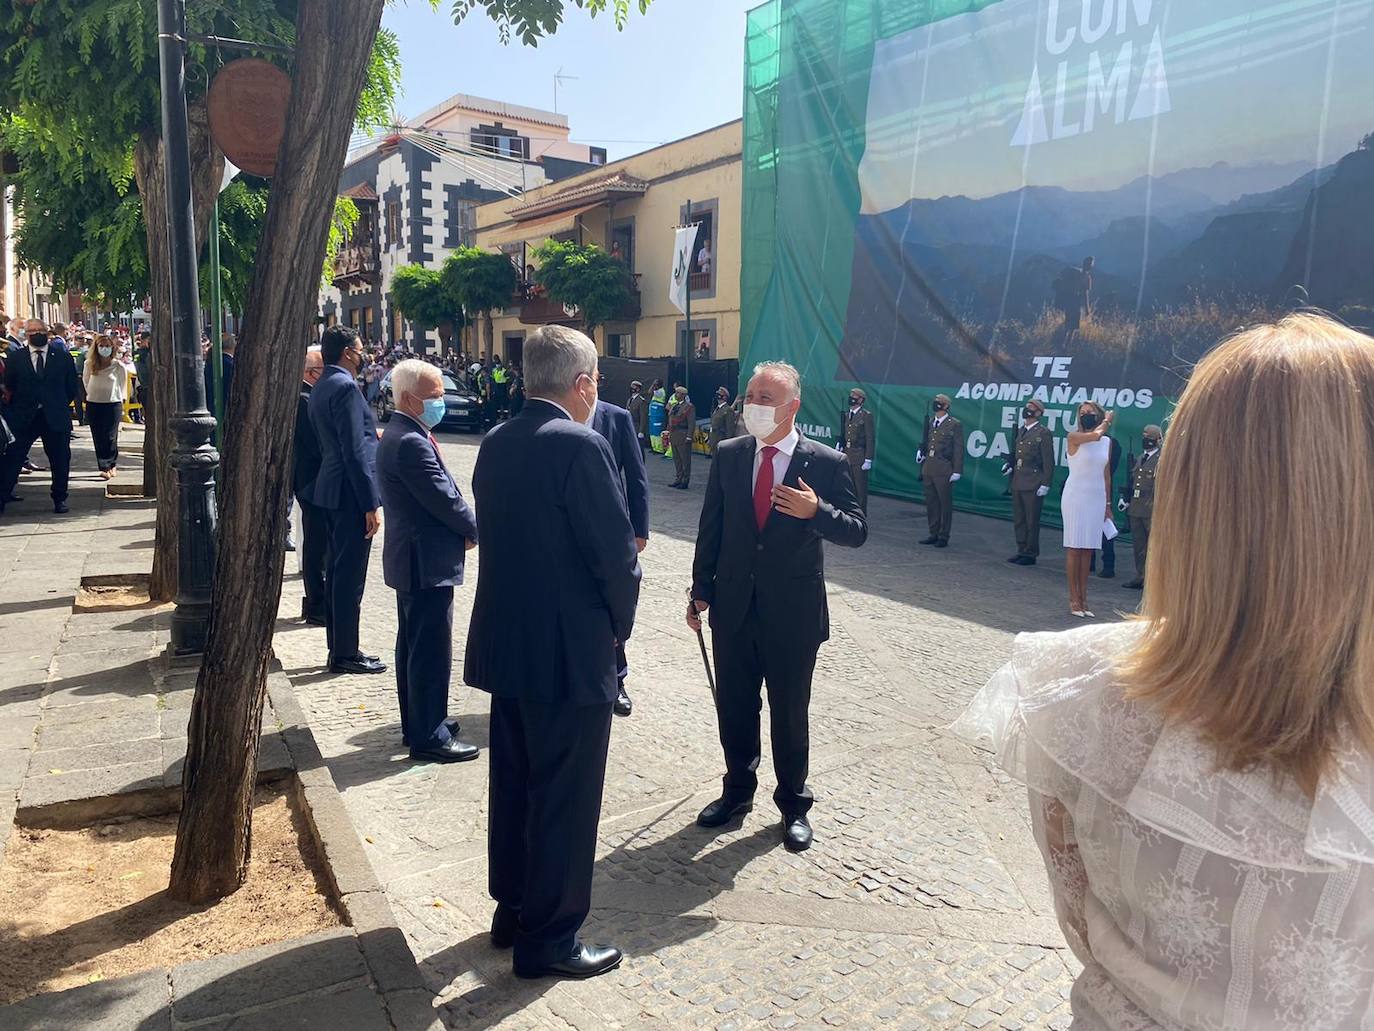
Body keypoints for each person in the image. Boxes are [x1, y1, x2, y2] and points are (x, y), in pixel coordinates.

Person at [954, 313, 1374, 1031]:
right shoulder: (1079, 683)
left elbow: (1080, 914)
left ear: (1191, 486)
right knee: (1066, 549)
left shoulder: (1080, 692)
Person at [464, 325, 641, 981]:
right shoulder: (581, 445)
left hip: (509, 648)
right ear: (584, 383)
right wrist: (619, 630)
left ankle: (513, 911)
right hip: (568, 654)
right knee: (564, 801)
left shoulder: (495, 440)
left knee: (515, 788)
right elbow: (617, 559)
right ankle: (550, 939)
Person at [689, 361, 868, 852]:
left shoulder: (826, 463)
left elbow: (857, 529)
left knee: (790, 712)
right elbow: (713, 527)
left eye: (766, 398)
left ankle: (793, 804)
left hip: (793, 613)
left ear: (793, 407)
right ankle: (736, 792)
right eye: (751, 396)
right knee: (735, 706)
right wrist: (700, 588)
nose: (754, 406)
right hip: (734, 607)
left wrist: (817, 512)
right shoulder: (729, 454)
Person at [377, 360, 480, 764]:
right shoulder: (410, 441)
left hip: (415, 559)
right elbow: (445, 500)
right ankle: (428, 735)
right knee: (430, 651)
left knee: (415, 647)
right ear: (407, 399)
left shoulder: (405, 432)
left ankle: (420, 721)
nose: (442, 401)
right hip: (425, 561)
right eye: (434, 396)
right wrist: (477, 530)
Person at [307, 326, 386, 675]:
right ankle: (346, 652)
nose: (363, 352)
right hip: (350, 492)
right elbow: (354, 450)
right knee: (349, 575)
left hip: (331, 487)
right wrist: (371, 503)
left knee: (338, 571)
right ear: (347, 353)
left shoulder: (323, 385)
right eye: (359, 348)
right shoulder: (346, 387)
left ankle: (338, 646)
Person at [592, 395, 650, 719]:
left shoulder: (615, 418)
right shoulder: (554, 412)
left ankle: (617, 679)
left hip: (612, 531)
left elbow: (637, 476)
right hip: (567, 531)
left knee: (617, 603)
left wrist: (639, 529)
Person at [0, 319, 79, 515]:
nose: (36, 334)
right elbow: (9, 385)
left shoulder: (62, 356)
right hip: (25, 417)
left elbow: (71, 388)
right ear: (26, 334)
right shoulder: (16, 358)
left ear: (47, 332)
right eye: (32, 331)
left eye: (40, 330)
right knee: (13, 458)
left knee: (60, 460)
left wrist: (57, 403)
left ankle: (60, 498)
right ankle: (2, 497)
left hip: (55, 416)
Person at [1061, 402, 1114, 617]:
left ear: (1097, 414)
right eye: (1082, 413)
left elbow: (1106, 474)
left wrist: (1108, 504)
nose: (1085, 416)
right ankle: (1074, 598)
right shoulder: (1073, 437)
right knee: (1075, 548)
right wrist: (1106, 422)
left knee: (1088, 550)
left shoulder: (1107, 442)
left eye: (1090, 413)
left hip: (1096, 498)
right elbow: (1094, 436)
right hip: (1076, 497)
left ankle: (1084, 599)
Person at [294, 347, 329, 626]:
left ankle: (315, 600)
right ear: (309, 373)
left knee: (318, 542)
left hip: (311, 480)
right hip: (312, 481)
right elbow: (317, 446)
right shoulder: (305, 401)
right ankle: (317, 603)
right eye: (322, 370)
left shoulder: (308, 397)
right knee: (318, 544)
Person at [1006, 399, 1055, 566]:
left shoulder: (1043, 433)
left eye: (1032, 408)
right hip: (1019, 479)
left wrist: (1045, 483)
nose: (1027, 410)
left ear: (1039, 413)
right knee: (1019, 518)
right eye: (1027, 407)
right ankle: (1021, 548)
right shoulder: (1021, 431)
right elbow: (1018, 455)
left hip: (1034, 481)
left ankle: (1030, 552)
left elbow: (1048, 461)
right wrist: (1010, 466)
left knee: (1031, 519)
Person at [917, 393, 963, 547]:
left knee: (944, 503)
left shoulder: (954, 424)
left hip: (944, 468)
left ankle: (944, 535)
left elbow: (958, 449)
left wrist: (957, 470)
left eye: (940, 402)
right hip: (929, 467)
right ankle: (933, 532)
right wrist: (921, 453)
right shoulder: (931, 422)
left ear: (946, 406)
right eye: (935, 401)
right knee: (931, 503)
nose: (936, 404)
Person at [1120, 424, 1161, 591]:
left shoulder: (1161, 459)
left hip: (1151, 508)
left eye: (1150, 437)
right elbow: (1133, 481)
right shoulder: (1140, 458)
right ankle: (1140, 575)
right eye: (1144, 436)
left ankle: (1154, 579)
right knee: (1138, 544)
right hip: (1136, 507)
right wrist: (1126, 498)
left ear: (1158, 440)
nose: (1146, 440)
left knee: (1153, 546)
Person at [82, 334, 128, 480]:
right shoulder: (89, 364)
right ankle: (104, 466)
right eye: (101, 346)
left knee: (110, 436)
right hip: (94, 403)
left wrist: (122, 400)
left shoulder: (118, 365)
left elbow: (122, 384)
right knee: (98, 436)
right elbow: (86, 380)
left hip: (112, 404)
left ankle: (111, 463)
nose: (104, 349)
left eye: (107, 346)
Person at [840, 387, 876, 513]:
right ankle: (849, 511)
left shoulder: (866, 416)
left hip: (859, 455)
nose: (852, 398)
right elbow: (844, 434)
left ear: (861, 400)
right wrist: (840, 445)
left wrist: (868, 459)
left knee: (860, 489)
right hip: (847, 454)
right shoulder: (846, 415)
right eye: (851, 395)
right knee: (848, 486)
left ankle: (860, 514)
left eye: (855, 396)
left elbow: (870, 438)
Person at [666, 385, 695, 489]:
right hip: (674, 435)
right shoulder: (675, 406)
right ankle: (678, 478)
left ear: (683, 395)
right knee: (677, 459)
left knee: (685, 460)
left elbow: (691, 423)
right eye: (676, 393)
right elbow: (670, 419)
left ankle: (685, 480)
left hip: (683, 434)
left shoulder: (689, 407)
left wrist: (689, 436)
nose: (676, 395)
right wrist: (668, 431)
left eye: (678, 393)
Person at [708, 386, 737, 453]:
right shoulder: (717, 409)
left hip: (721, 439)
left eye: (720, 395)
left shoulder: (728, 410)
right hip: (714, 438)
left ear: (724, 397)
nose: (718, 397)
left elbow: (729, 429)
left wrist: (727, 443)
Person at [626, 380, 649, 455]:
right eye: (631, 387)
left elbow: (643, 417)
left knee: (639, 448)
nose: (632, 389)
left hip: (637, 426)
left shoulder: (641, 401)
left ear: (638, 389)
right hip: (629, 426)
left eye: (634, 387)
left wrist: (641, 431)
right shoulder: (630, 399)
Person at [648, 379, 667, 454]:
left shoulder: (661, 391)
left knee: (657, 431)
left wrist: (653, 386)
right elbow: (649, 392)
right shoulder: (656, 390)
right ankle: (654, 447)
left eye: (656, 383)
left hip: (658, 414)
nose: (654, 384)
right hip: (653, 414)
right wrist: (652, 384)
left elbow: (652, 392)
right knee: (652, 431)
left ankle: (659, 449)